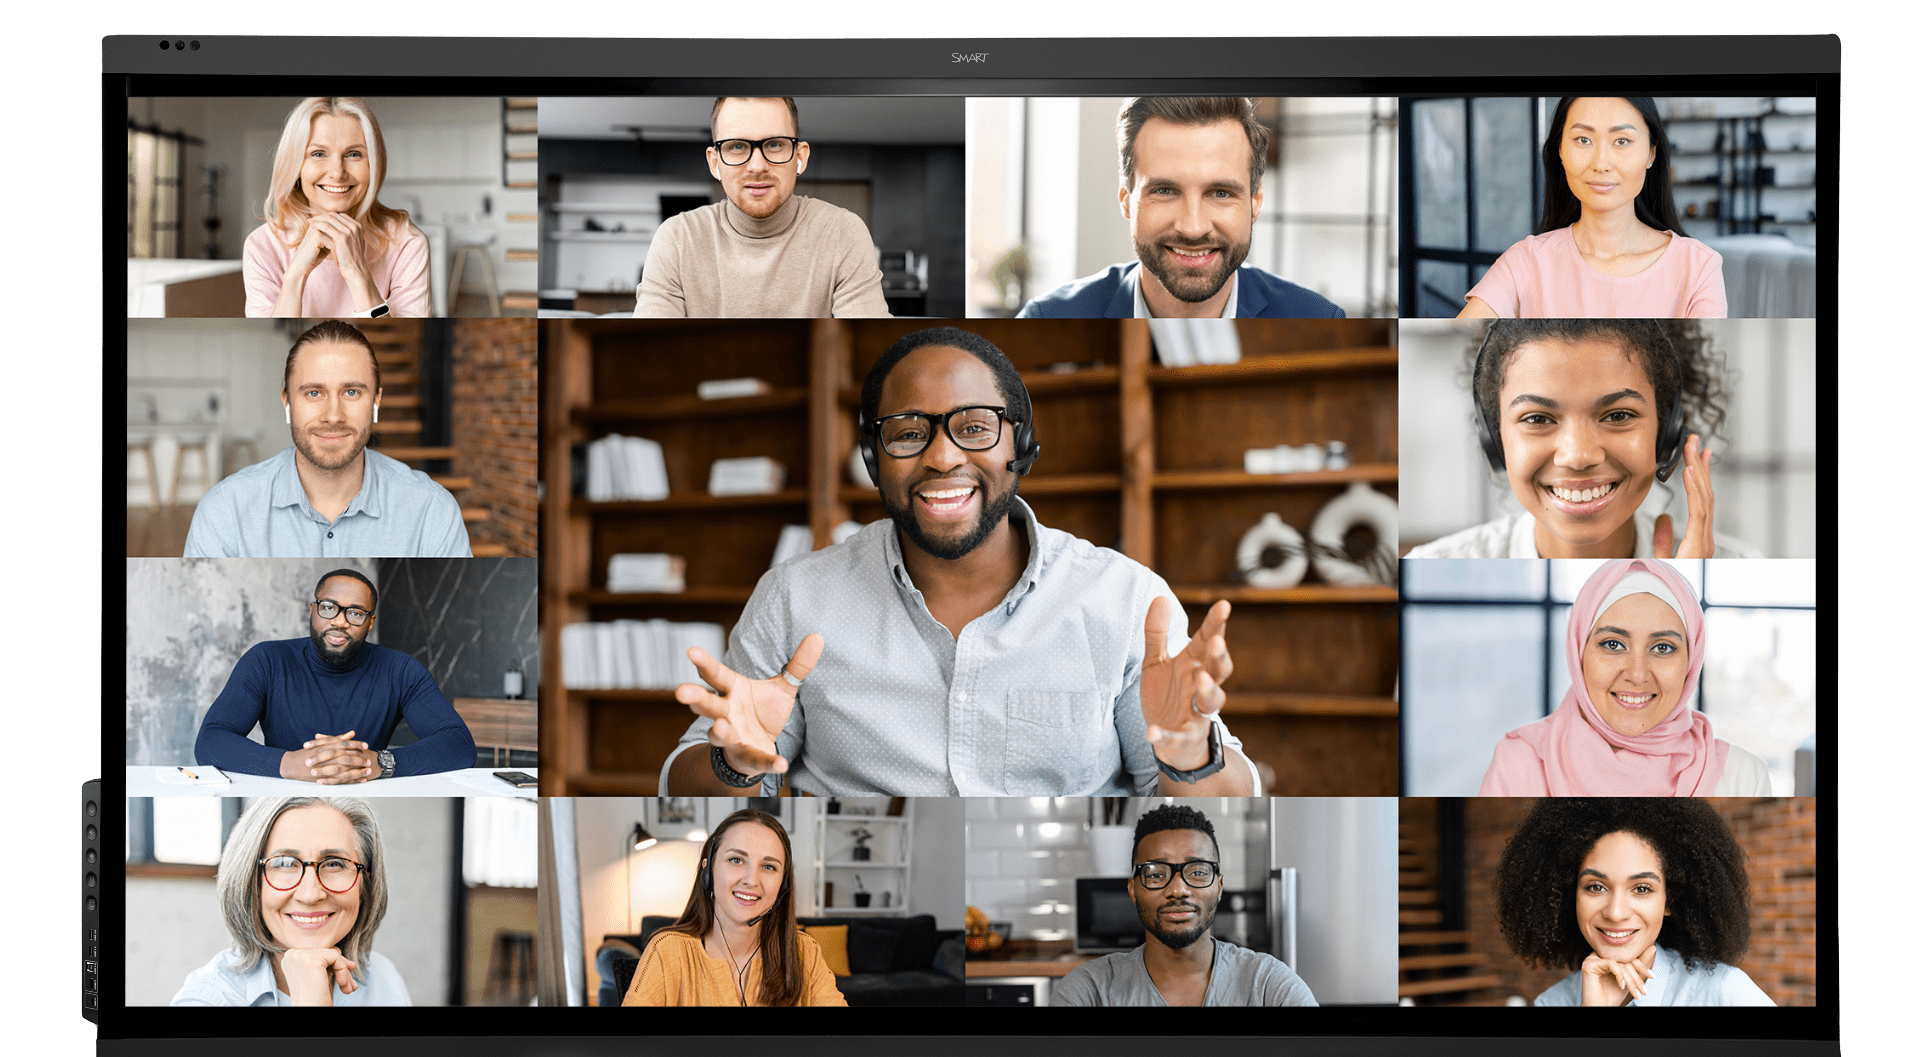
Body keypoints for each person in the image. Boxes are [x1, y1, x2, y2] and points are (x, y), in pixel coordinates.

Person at [660, 327, 1260, 798]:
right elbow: (687, 788)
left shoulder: (1126, 601)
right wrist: (733, 764)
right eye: (907, 432)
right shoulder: (794, 598)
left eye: (974, 427)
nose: (943, 457)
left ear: (1021, 444)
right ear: (873, 459)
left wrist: (1190, 755)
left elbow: (1219, 809)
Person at [1404, 319, 1754, 559]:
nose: (1578, 456)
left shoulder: (1742, 570)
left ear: (1667, 432)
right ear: (1494, 438)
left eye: (1618, 415)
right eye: (1538, 419)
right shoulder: (1429, 567)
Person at [1480, 559, 1784, 797]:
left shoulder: (1742, 777)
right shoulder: (1521, 761)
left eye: (1663, 648)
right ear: (1579, 652)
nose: (1637, 675)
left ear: (1691, 662)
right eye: (1613, 644)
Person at [1018, 97, 1343, 319]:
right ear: (1126, 198)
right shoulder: (1044, 320)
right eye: (1164, 191)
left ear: (1255, 202)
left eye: (1220, 193)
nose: (1193, 227)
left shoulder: (1321, 321)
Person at [183, 320, 472, 557]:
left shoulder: (431, 511)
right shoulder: (225, 512)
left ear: (376, 400)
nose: (333, 416)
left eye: (351, 392)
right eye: (314, 393)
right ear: (287, 401)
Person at [194, 569, 478, 781]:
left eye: (355, 613)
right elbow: (210, 741)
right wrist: (289, 764)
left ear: (370, 623)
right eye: (329, 608)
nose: (340, 621)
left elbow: (459, 745)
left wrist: (380, 763)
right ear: (312, 610)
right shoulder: (267, 660)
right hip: (282, 797)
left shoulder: (400, 670)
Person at [1459, 96, 1724, 319]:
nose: (1601, 164)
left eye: (1622, 141)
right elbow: (1453, 350)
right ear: (1560, 150)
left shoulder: (1698, 268)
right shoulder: (1526, 262)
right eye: (1583, 140)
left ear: (1651, 153)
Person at [1496, 798, 1776, 1006]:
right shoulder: (1552, 1003)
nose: (1616, 913)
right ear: (1569, 894)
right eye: (1596, 887)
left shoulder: (1724, 992)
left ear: (1670, 899)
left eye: (1642, 889)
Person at [634, 97, 891, 317]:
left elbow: (870, 348)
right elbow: (647, 349)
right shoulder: (677, 239)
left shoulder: (843, 233)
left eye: (774, 144)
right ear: (715, 162)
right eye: (737, 146)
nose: (757, 167)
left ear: (800, 156)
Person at [1051, 804, 1316, 1007]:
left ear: (1219, 887)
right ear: (1133, 890)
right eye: (1156, 874)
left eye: (1198, 872)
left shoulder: (1269, 985)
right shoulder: (1088, 992)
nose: (1178, 889)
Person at [174, 797, 410, 1006]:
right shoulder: (205, 998)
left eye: (334, 863)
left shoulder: (383, 978)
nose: (310, 895)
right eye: (285, 863)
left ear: (365, 884)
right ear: (252, 883)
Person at [622, 809, 846, 1007]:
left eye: (769, 866)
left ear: (783, 884)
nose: (751, 880)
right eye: (736, 860)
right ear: (708, 871)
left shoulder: (805, 952)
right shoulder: (668, 951)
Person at [244, 97, 431, 319]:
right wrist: (295, 276)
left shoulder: (407, 243)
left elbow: (395, 339)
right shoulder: (262, 246)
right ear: (296, 165)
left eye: (354, 154)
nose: (337, 173)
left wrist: (357, 273)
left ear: (374, 164)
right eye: (318, 154)